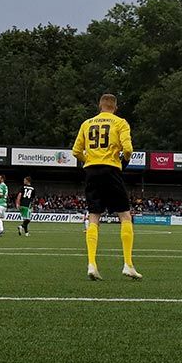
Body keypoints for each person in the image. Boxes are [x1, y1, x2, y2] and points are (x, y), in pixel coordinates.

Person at [71, 93, 140, 281]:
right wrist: (123, 162)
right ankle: (128, 264)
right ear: (115, 107)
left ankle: (91, 264)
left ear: (99, 106)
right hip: (111, 170)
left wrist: (91, 160)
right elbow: (128, 150)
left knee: (94, 216)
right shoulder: (120, 123)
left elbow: (76, 151)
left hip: (91, 171)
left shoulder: (87, 124)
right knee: (125, 215)